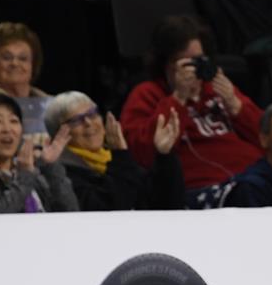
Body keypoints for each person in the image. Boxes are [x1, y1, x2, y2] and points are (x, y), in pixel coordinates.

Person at [121, 15, 265, 206]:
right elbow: (143, 154)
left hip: (254, 179)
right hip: (203, 190)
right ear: (167, 64)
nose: (194, 70)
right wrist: (178, 98)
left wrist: (236, 106)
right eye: (186, 63)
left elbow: (268, 139)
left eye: (199, 60)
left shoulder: (216, 88)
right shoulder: (147, 94)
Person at [45, 90, 184, 211]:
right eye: (76, 120)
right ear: (58, 134)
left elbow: (165, 203)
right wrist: (120, 157)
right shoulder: (62, 174)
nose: (88, 123)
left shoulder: (113, 158)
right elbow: (112, 211)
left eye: (92, 114)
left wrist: (165, 156)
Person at [0, 93, 79, 214]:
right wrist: (25, 176)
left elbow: (71, 213)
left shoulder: (36, 174)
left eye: (13, 121)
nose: (7, 129)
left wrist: (50, 166)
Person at [0, 21, 54, 134]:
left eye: (23, 58)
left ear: (33, 65)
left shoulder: (53, 107)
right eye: (7, 57)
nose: (15, 63)